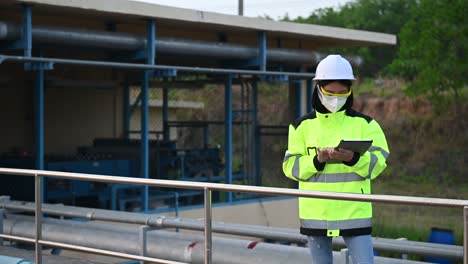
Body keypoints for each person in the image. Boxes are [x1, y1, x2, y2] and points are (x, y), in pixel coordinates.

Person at [282, 55, 389, 264]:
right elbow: (290, 166)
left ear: (350, 90)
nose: (336, 98)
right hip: (316, 213)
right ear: (318, 88)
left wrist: (353, 159)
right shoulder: (300, 126)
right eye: (330, 92)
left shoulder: (366, 124)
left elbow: (380, 162)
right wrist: (316, 161)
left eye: (343, 92)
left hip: (354, 212)